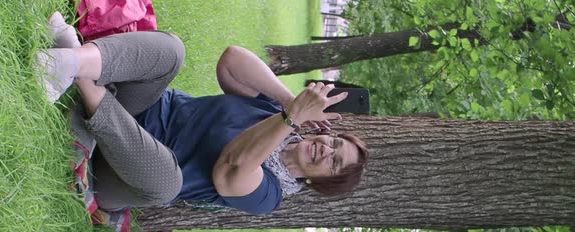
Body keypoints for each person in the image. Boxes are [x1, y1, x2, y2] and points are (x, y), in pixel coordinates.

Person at [37, 12, 370, 215]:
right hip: (140, 108)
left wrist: (290, 119)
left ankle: (75, 69)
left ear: (321, 182)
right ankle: (71, 64)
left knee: (169, 181)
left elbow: (233, 166)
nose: (327, 149)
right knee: (173, 51)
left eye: (334, 162)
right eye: (334, 142)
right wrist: (287, 101)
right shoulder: (276, 110)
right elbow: (232, 61)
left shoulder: (269, 196)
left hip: (123, 173)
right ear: (326, 132)